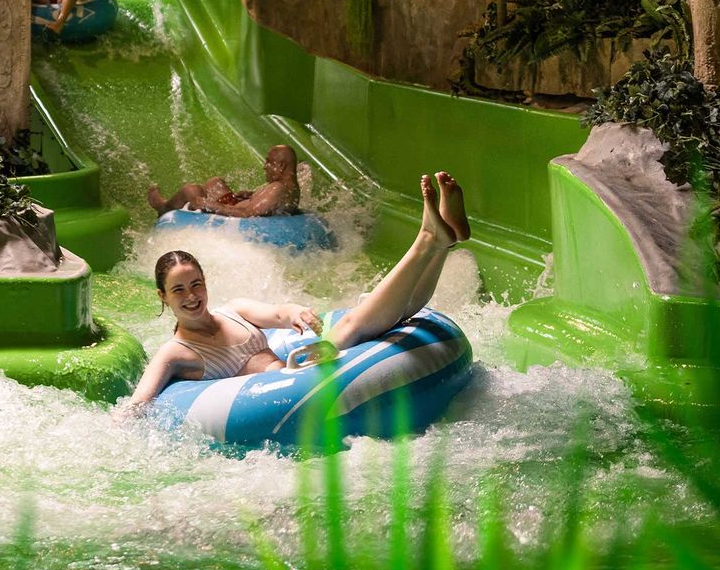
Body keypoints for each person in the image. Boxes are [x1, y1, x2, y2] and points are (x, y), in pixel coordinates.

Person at [123, 171, 471, 411]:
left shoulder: (234, 310)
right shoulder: (174, 352)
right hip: (289, 393)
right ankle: (428, 240)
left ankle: (441, 243)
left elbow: (278, 314)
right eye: (179, 290)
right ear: (163, 297)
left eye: (196, 284)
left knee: (395, 316)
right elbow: (139, 403)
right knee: (353, 325)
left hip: (304, 369)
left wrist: (296, 313)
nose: (192, 296)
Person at [148, 144, 301, 218]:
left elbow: (248, 213)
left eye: (269, 162)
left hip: (232, 219)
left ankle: (164, 207)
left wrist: (210, 204)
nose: (264, 166)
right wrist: (252, 196)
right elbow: (270, 205)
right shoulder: (289, 187)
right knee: (215, 182)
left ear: (280, 165)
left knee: (192, 191)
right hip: (235, 208)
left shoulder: (278, 189)